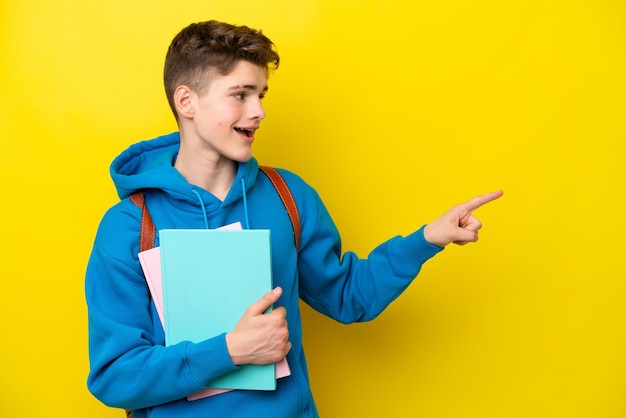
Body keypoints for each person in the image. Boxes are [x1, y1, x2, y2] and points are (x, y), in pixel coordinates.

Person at [85, 20, 503, 417]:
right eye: (241, 94)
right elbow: (115, 375)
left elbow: (348, 296)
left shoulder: (287, 196)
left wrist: (426, 239)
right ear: (186, 101)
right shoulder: (128, 226)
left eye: (261, 95)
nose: (259, 111)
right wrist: (229, 351)